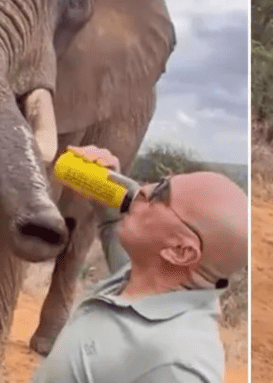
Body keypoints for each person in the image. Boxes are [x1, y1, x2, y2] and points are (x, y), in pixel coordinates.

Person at [30, 146, 249, 383]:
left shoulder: (179, 364)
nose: (143, 190)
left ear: (180, 251)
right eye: (160, 181)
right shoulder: (143, 279)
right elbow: (113, 221)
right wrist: (107, 185)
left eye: (160, 195)